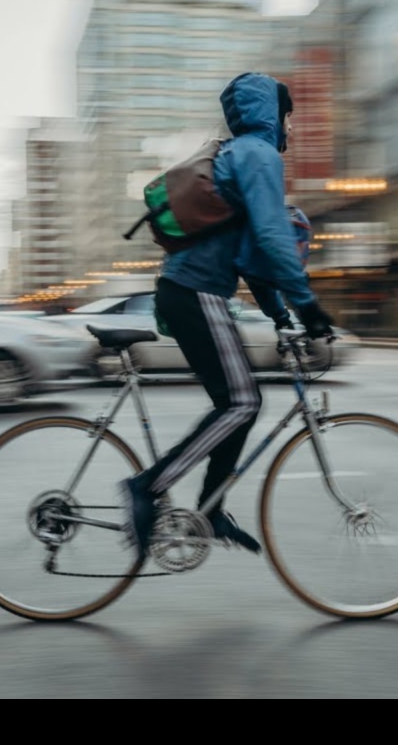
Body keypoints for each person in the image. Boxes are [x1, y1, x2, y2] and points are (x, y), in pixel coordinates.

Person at [120, 71, 336, 559]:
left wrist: (282, 318)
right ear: (270, 115)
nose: (290, 128)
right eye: (286, 116)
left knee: (237, 403)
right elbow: (271, 238)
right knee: (241, 403)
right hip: (197, 292)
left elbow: (250, 261)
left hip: (190, 292)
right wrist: (309, 307)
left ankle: (210, 509)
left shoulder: (236, 154)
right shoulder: (257, 154)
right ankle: (148, 487)